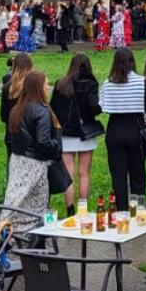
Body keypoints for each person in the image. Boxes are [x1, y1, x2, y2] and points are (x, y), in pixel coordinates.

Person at [3, 70, 61, 224]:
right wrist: (55, 145)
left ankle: (7, 232)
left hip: (17, 161)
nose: (48, 87)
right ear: (38, 88)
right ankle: (33, 238)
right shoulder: (41, 111)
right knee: (36, 205)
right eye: (45, 84)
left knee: (15, 200)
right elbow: (43, 142)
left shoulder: (16, 109)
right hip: (35, 164)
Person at [48, 53, 102, 208]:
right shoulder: (90, 84)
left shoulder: (60, 84)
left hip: (66, 134)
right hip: (85, 133)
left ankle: (70, 209)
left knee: (69, 175)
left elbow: (53, 108)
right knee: (84, 174)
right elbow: (94, 108)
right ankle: (83, 208)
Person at [100, 47, 146, 207]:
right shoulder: (141, 82)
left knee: (118, 176)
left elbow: (103, 106)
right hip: (135, 128)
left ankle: (121, 210)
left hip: (115, 128)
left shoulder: (108, 83)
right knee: (138, 175)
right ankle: (138, 210)